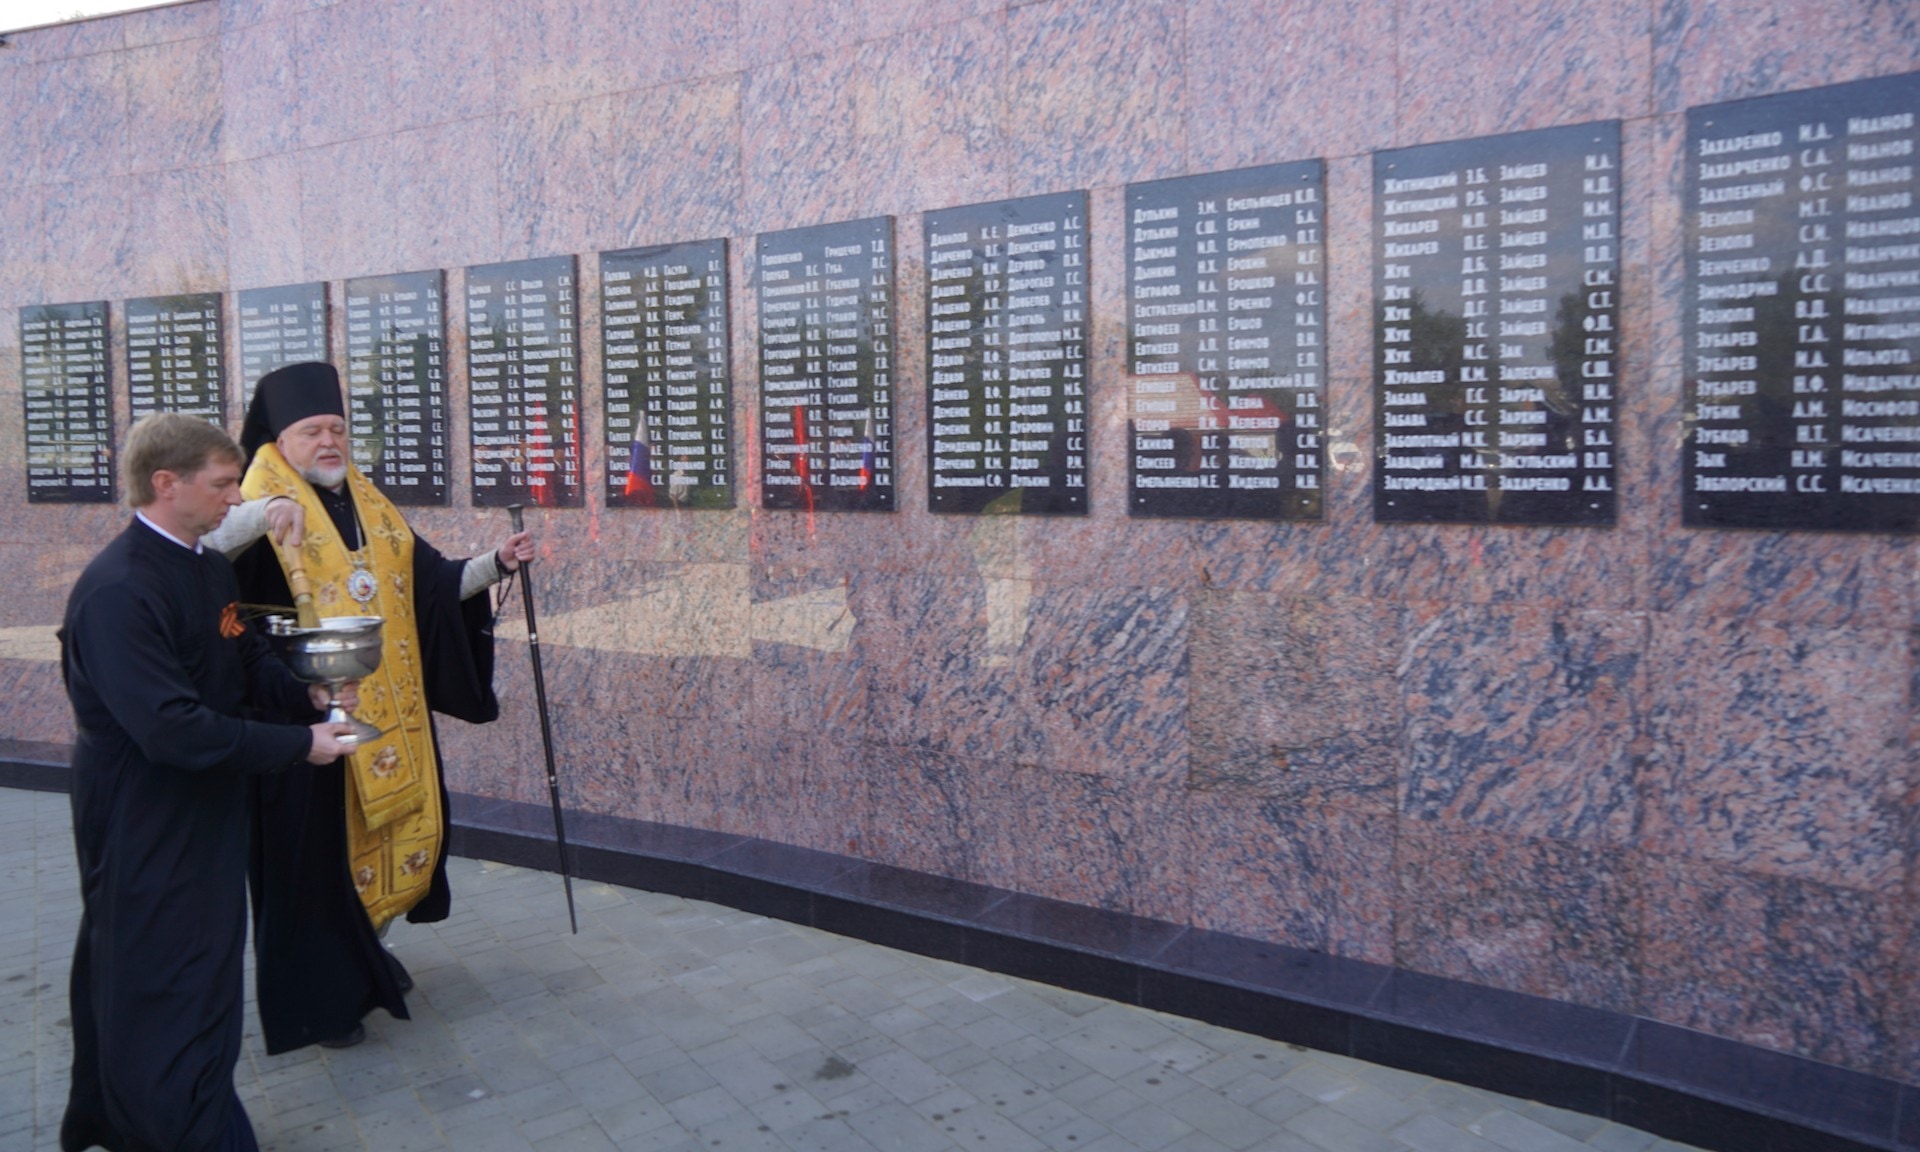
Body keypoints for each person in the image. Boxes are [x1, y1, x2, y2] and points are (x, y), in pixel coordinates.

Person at [201, 360, 532, 1052]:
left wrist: (495, 564)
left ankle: (366, 953)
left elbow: (429, 583)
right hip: (298, 719)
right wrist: (258, 517)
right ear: (280, 439)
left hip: (388, 715)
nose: (329, 441)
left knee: (377, 845)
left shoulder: (366, 500)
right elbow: (198, 560)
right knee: (313, 859)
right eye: (312, 430)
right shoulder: (252, 497)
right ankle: (323, 1002)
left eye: (338, 428)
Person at [60, 413, 358, 1152]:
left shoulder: (207, 563)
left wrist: (305, 694)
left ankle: (185, 1118)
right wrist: (300, 745)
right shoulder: (119, 590)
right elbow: (171, 729)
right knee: (164, 980)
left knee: (206, 976)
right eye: (224, 484)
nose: (238, 498)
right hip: (144, 818)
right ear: (167, 483)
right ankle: (176, 1131)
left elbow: (244, 655)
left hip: (207, 805)